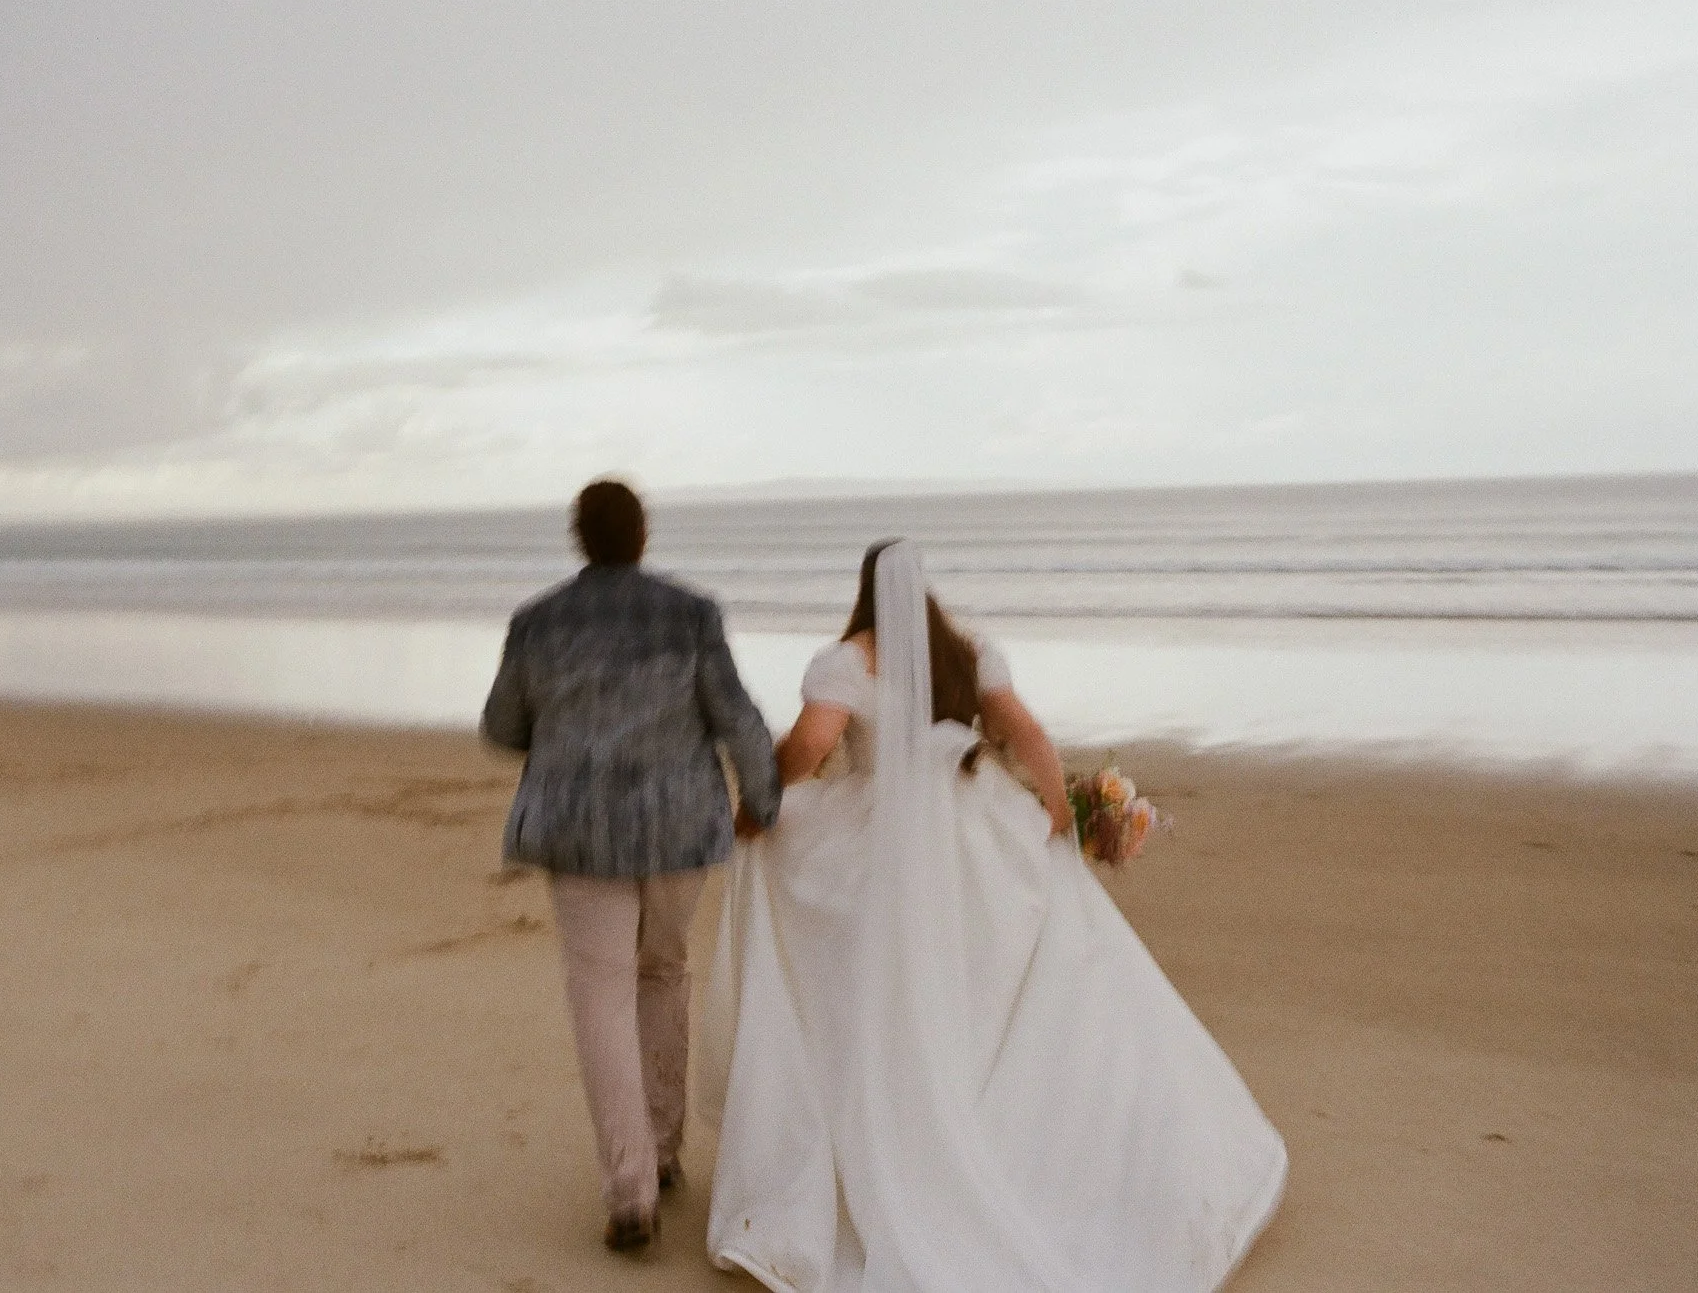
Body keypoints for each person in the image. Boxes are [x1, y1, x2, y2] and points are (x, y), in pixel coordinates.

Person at [700, 539, 1285, 1291]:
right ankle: (1009, 1134)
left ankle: (895, 1138)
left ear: (866, 591)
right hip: (978, 823)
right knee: (997, 982)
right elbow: (1030, 735)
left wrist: (763, 805)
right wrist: (1054, 816)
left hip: (886, 834)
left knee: (880, 983)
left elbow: (812, 744)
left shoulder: (848, 659)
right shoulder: (971, 651)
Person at [481, 479, 781, 1255]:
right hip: (679, 828)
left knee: (600, 998)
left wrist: (570, 731)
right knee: (663, 972)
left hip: (580, 833)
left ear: (579, 537)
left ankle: (630, 1191)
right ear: (642, 535)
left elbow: (501, 724)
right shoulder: (691, 615)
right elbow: (737, 718)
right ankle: (665, 1146)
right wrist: (767, 801)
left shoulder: (535, 622)